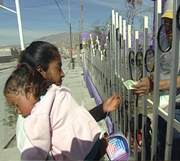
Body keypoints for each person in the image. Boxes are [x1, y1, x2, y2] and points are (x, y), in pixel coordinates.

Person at [15, 41, 121, 159]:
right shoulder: (32, 123)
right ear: (42, 72)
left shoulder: (51, 100)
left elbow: (70, 124)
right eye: (58, 68)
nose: (63, 73)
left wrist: (102, 109)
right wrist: (98, 152)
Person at [132, 0, 180, 160]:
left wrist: (154, 85)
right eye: (166, 23)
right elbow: (160, 69)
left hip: (177, 107)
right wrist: (148, 79)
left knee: (173, 150)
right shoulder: (163, 41)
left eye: (173, 22)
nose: (168, 28)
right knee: (159, 145)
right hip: (162, 103)